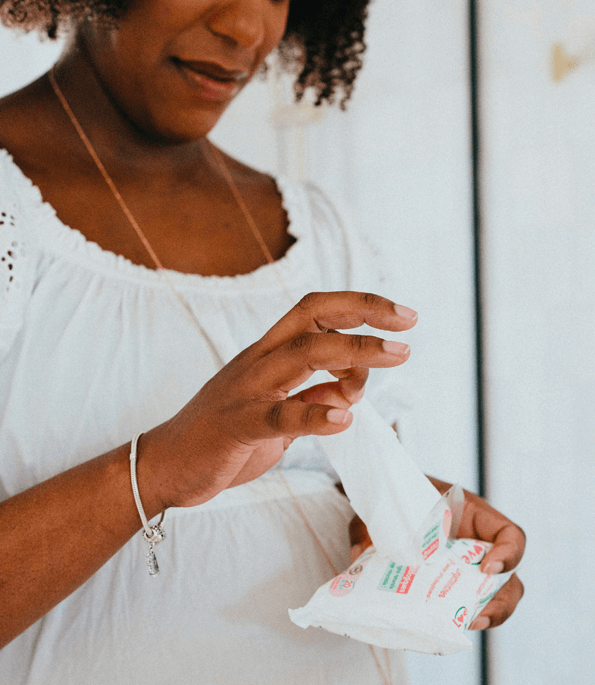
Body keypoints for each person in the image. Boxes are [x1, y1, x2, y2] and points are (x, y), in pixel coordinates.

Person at [0, 1, 525, 683]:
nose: (246, 30)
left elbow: (336, 485)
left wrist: (415, 523)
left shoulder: (318, 225)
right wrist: (156, 468)